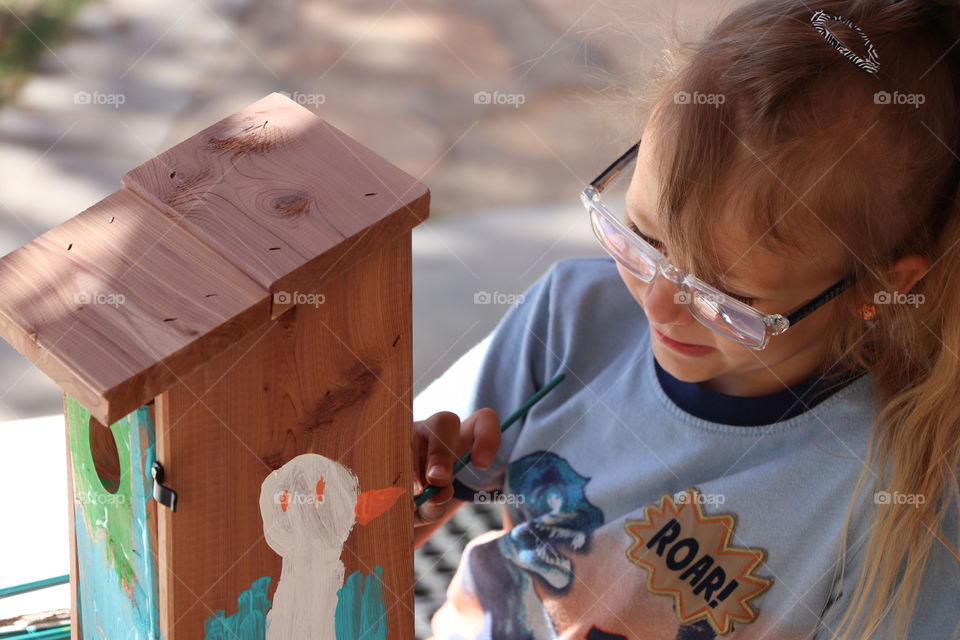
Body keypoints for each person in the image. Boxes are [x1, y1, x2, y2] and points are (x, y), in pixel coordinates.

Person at [412, 1, 960, 638]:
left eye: (726, 297)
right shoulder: (571, 314)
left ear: (881, 288)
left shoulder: (896, 492)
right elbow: (443, 467)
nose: (657, 305)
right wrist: (421, 471)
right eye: (643, 240)